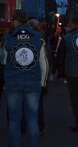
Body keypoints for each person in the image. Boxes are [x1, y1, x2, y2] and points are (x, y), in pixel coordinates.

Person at [2, 9, 49, 147]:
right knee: (32, 119)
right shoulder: (38, 37)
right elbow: (44, 62)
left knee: (14, 120)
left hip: (13, 82)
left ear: (15, 21)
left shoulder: (7, 38)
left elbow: (4, 61)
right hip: (32, 81)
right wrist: (43, 83)